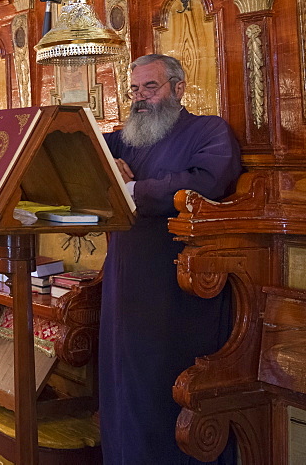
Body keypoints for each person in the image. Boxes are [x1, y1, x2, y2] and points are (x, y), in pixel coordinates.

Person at [100, 54, 241, 464]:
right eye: (134, 90)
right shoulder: (127, 136)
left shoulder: (208, 130)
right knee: (122, 387)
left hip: (176, 290)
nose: (140, 98)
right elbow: (83, 144)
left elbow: (207, 181)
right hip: (122, 283)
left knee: (163, 390)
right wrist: (107, 167)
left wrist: (134, 190)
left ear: (179, 88)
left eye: (151, 87)